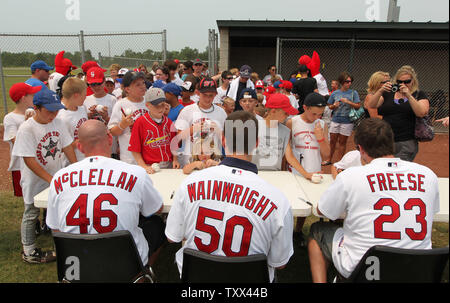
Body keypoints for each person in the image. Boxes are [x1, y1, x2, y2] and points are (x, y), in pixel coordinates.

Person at [165, 110, 294, 282]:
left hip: (197, 279)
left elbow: (172, 236)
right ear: (256, 143)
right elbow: (279, 263)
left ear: (223, 140)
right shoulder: (278, 201)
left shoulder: (190, 183)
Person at [307, 118, 440, 282]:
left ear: (361, 149)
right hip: (416, 269)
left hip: (367, 269)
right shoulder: (427, 175)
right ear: (392, 143)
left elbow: (323, 211)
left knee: (318, 230)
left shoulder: (351, 175)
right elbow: (430, 212)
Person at [45, 119, 166, 269]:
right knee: (157, 224)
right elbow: (156, 209)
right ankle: (142, 274)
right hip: (125, 263)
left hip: (77, 264)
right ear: (110, 139)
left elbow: (55, 228)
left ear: (80, 147)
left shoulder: (59, 178)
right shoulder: (136, 173)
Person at [12, 89, 77, 263]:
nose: (54, 114)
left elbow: (68, 146)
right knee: (31, 212)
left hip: (54, 176)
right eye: (49, 111)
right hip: (34, 181)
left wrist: (77, 167)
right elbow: (29, 159)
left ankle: (59, 242)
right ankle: (29, 251)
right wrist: (50, 179)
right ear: (37, 108)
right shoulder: (27, 128)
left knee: (55, 208)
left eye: (56, 110)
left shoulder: (58, 122)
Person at [367, 65, 430, 162]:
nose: (403, 84)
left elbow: (421, 113)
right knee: (384, 167)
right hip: (386, 139)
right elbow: (371, 105)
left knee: (399, 169)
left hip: (406, 140)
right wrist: (380, 90)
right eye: (399, 82)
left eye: (407, 82)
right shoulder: (389, 93)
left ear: (413, 81)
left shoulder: (418, 94)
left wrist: (408, 95)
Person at [175, 77, 227, 168]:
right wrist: (193, 129)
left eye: (211, 95)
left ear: (215, 94)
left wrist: (218, 131)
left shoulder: (221, 112)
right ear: (197, 93)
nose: (207, 98)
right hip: (190, 162)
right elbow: (178, 137)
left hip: (213, 162)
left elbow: (227, 141)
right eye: (204, 95)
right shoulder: (187, 110)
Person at [128, 87, 180, 173]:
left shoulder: (169, 122)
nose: (160, 108)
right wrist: (143, 166)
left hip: (169, 165)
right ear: (147, 105)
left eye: (162, 104)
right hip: (150, 166)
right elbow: (134, 149)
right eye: (156, 105)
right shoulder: (140, 122)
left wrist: (175, 160)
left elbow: (174, 145)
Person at [4, 83, 42, 197]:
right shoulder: (10, 118)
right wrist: (27, 123)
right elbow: (16, 141)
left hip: (39, 160)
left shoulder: (37, 114)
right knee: (28, 195)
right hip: (21, 165)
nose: (35, 96)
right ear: (23, 98)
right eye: (32, 94)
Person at [108, 71, 148, 164]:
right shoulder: (121, 105)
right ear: (127, 89)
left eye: (143, 83)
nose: (142, 86)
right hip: (130, 158)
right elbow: (112, 132)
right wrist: (122, 125)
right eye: (138, 84)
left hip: (149, 155)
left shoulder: (149, 102)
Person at [323, 71, 360, 166]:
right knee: (332, 141)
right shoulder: (335, 93)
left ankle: (339, 162)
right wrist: (334, 106)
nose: (349, 83)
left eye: (350, 81)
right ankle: (329, 159)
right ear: (342, 82)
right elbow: (329, 105)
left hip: (347, 121)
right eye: (347, 81)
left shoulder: (353, 93)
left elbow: (358, 106)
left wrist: (348, 102)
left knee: (342, 142)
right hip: (335, 119)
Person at [57, 77, 89, 162]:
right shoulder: (60, 116)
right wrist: (81, 140)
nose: (85, 98)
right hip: (70, 163)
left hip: (85, 158)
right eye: (84, 95)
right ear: (76, 95)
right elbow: (60, 147)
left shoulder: (82, 107)